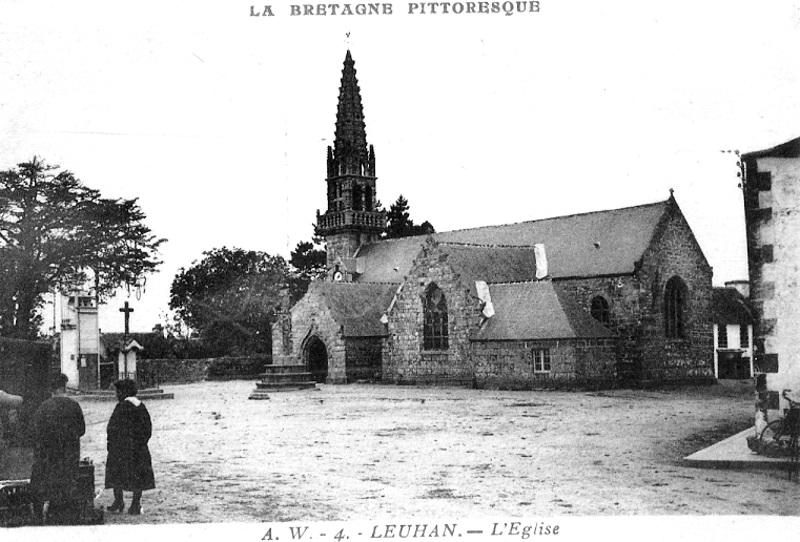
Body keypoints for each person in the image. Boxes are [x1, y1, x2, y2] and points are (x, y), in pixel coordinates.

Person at [28, 373, 86, 522]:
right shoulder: (74, 406)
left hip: (47, 456)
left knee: (43, 485)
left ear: (51, 389)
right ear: (64, 387)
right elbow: (81, 430)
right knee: (66, 486)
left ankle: (39, 516)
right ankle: (64, 516)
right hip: (69, 455)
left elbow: (35, 432)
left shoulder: (43, 407)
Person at [105, 379, 155, 515]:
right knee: (138, 475)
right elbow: (148, 428)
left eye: (118, 391)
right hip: (138, 449)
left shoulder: (121, 407)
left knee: (116, 474)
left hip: (120, 449)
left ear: (124, 392)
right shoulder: (141, 406)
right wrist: (141, 443)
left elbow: (112, 427)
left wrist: (112, 443)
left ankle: (119, 501)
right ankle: (135, 504)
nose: (116, 394)